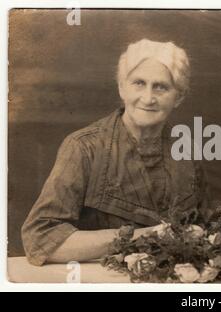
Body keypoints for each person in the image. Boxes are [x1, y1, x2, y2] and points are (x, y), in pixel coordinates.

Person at [22, 39, 209, 266]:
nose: (148, 98)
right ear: (121, 87)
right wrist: (148, 235)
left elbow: (203, 232)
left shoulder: (187, 153)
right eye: (139, 83)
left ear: (178, 97)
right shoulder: (84, 147)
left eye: (161, 87)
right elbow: (39, 239)